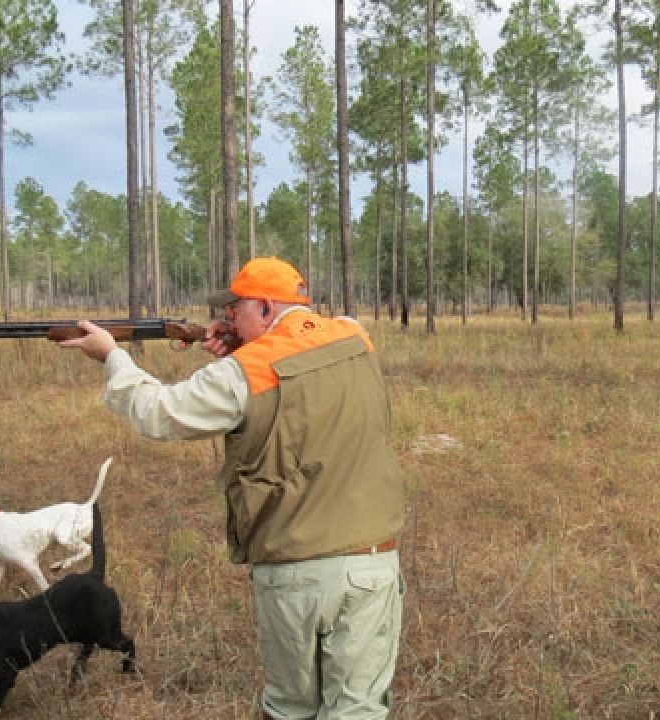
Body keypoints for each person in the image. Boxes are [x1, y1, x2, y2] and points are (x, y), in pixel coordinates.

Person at [58, 256, 406, 720]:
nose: (225, 319)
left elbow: (158, 412)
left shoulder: (245, 372)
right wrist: (242, 340)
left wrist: (111, 355)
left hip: (294, 570)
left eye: (233, 310)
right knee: (359, 711)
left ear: (263, 307)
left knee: (290, 709)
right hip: (372, 562)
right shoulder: (355, 337)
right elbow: (309, 340)